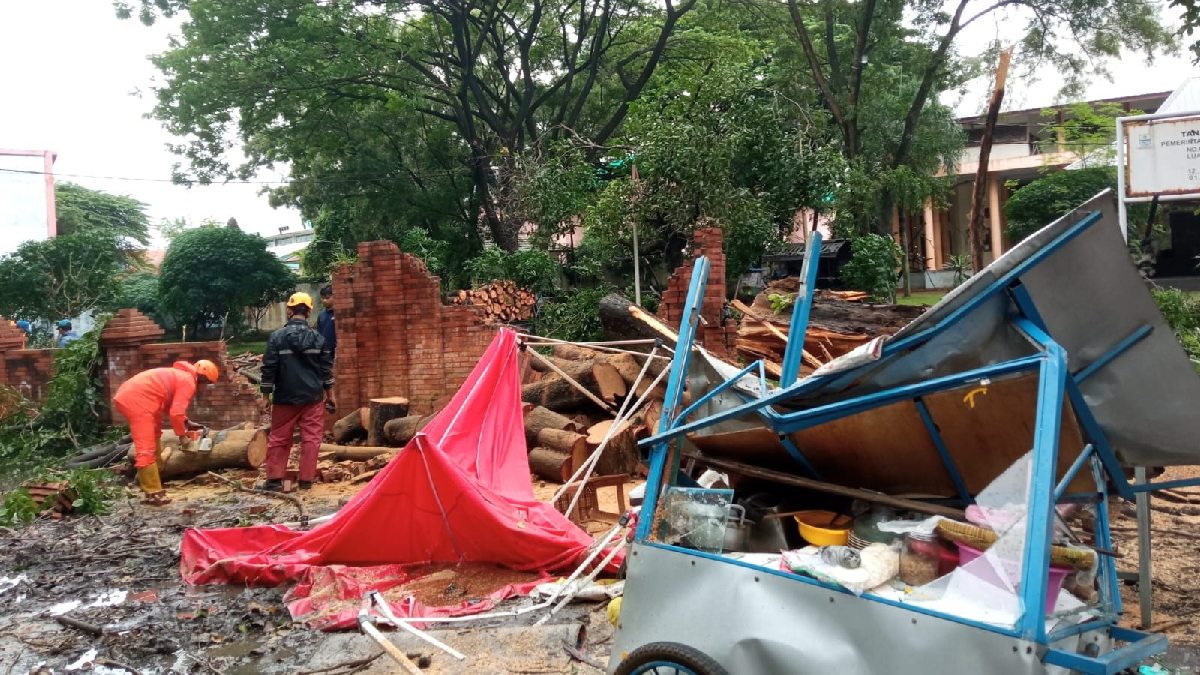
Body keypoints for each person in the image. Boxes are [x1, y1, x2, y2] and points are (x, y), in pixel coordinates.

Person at [112, 360, 219, 506]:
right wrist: (183, 437)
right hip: (138, 400)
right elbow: (175, 413)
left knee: (156, 433)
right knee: (145, 448)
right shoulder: (189, 381)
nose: (205, 387)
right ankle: (153, 491)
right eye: (208, 383)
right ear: (204, 377)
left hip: (140, 397)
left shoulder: (182, 376)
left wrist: (186, 422)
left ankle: (154, 473)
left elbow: (170, 406)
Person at [260, 292, 335, 492]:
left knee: (278, 437)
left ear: (289, 310)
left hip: (285, 396)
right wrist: (331, 395)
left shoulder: (277, 338)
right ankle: (306, 481)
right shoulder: (318, 339)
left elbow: (269, 368)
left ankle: (274, 480)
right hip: (312, 397)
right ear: (309, 312)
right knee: (311, 438)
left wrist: (266, 396)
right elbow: (326, 369)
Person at [316, 285, 336, 361]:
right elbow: (319, 334)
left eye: (327, 298)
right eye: (323, 298)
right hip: (325, 354)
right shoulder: (321, 315)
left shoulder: (339, 314)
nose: (324, 301)